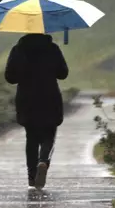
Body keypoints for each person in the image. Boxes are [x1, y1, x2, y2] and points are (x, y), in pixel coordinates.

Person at [4, 33, 69, 190]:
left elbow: (10, 77)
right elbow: (63, 73)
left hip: (27, 98)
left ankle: (32, 177)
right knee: (49, 133)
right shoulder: (52, 49)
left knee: (31, 137)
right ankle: (43, 160)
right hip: (49, 96)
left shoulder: (18, 50)